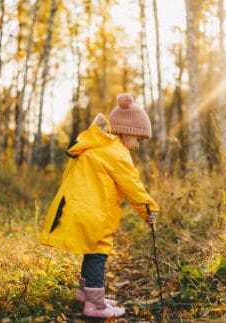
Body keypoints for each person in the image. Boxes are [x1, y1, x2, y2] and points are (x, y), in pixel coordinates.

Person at [40, 93, 159, 319]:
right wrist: (149, 210)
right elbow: (133, 186)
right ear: (127, 133)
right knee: (98, 253)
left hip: (80, 206)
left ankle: (86, 293)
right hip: (93, 211)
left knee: (91, 250)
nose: (138, 147)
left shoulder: (99, 146)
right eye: (138, 140)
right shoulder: (117, 154)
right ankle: (94, 306)